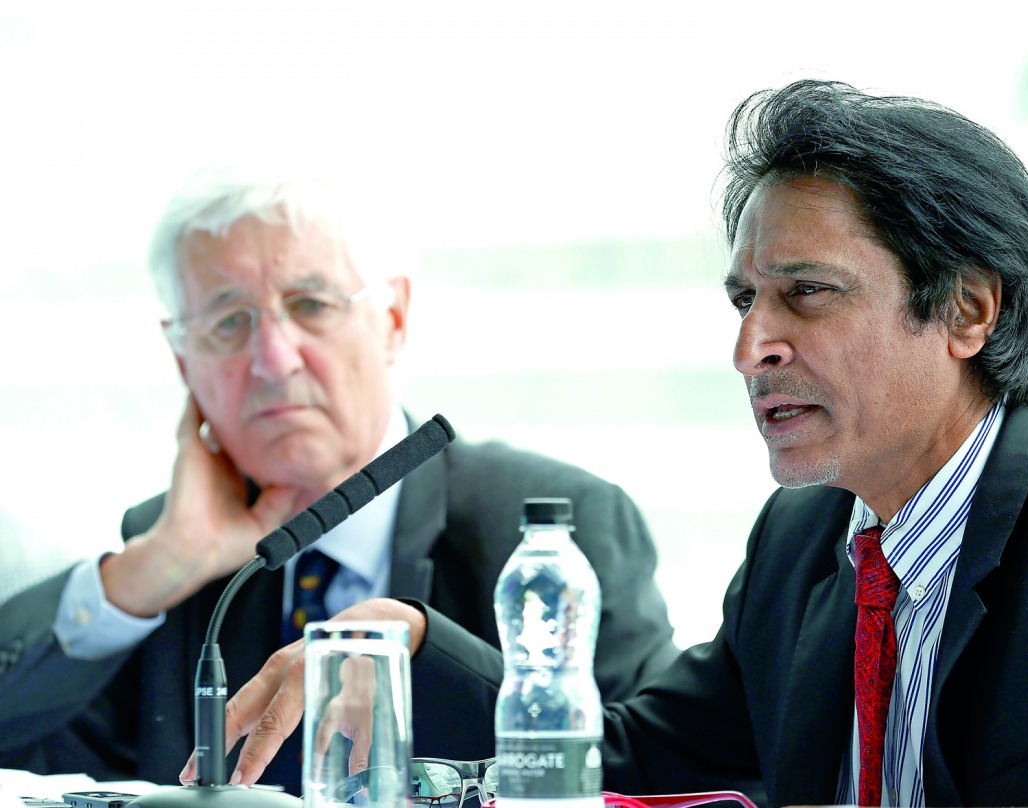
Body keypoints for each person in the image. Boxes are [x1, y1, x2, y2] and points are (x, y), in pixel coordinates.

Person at [209, 80, 1028, 807]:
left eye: (806, 293)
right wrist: (416, 642)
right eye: (744, 300)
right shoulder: (805, 540)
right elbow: (639, 761)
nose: (750, 348)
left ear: (968, 310)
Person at [0, 168, 680, 792]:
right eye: (229, 321)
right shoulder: (170, 557)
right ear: (183, 362)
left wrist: (426, 654)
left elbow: (654, 779)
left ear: (393, 320)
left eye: (311, 305)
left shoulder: (554, 532)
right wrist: (146, 573)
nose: (273, 360)